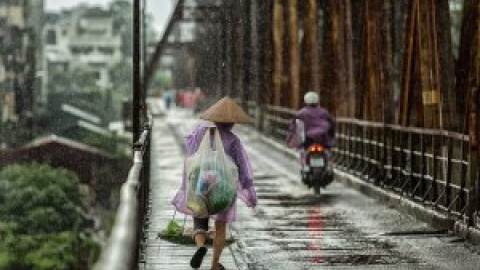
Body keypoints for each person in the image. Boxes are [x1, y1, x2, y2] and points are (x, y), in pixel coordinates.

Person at [171, 96, 257, 270]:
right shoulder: (233, 140)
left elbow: (190, 151)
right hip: (223, 190)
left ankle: (201, 247)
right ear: (232, 122)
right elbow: (243, 169)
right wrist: (249, 190)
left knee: (200, 221)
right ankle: (214, 265)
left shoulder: (199, 133)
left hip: (200, 185)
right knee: (220, 227)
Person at [286, 92, 336, 172]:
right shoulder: (324, 113)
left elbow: (293, 127)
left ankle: (305, 166)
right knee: (327, 152)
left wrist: (289, 140)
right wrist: (331, 138)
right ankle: (328, 167)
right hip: (322, 140)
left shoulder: (301, 113)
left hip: (307, 140)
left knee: (303, 152)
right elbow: (332, 124)